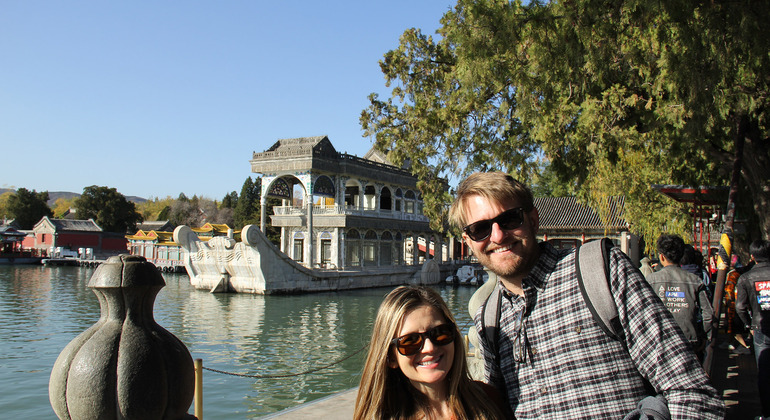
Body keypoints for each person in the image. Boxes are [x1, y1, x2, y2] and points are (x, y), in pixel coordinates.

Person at [448, 171, 724, 419]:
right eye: (480, 229)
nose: (497, 235)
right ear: (468, 242)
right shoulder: (489, 318)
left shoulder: (600, 270)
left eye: (509, 219)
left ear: (533, 219)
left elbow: (691, 393)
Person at [354, 285, 507, 420]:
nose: (429, 347)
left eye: (440, 332)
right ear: (391, 357)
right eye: (410, 341)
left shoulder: (488, 399)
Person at [646, 235, 715, 362]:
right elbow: (708, 314)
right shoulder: (695, 281)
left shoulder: (650, 281)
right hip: (689, 340)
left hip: (660, 342)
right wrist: (705, 337)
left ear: (661, 257)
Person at [736, 239, 770, 420]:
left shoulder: (746, 278)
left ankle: (766, 413)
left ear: (752, 257)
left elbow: (740, 307)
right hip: (760, 326)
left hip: (760, 328)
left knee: (764, 373)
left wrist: (748, 325)